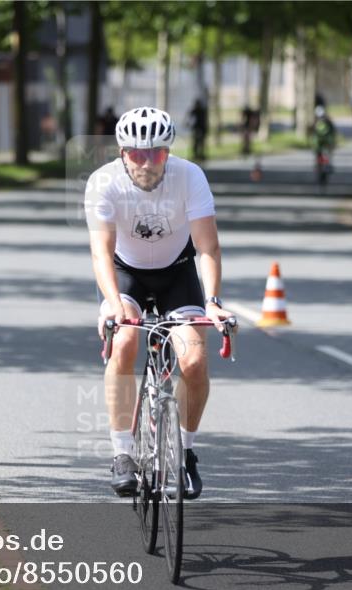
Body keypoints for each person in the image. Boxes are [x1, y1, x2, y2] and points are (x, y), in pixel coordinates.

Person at [84, 106, 234, 499]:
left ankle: (185, 453)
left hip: (178, 273)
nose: (147, 163)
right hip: (126, 274)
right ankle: (122, 455)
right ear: (122, 153)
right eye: (137, 153)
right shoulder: (103, 183)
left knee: (194, 360)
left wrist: (214, 301)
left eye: (157, 154)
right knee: (125, 342)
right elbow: (101, 252)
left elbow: (207, 246)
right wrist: (114, 304)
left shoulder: (190, 177)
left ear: (168, 152)